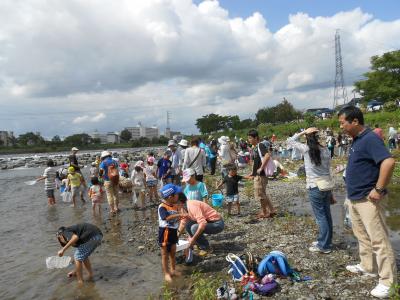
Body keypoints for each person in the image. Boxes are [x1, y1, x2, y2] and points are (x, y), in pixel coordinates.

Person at [338, 106, 397, 298]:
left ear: (355, 121)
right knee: (361, 235)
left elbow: (388, 162)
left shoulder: (371, 138)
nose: (341, 127)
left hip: (368, 199)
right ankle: (368, 266)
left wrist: (378, 189)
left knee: (378, 239)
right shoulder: (357, 140)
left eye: (342, 123)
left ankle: (388, 281)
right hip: (355, 197)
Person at [287, 128, 334, 254]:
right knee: (327, 215)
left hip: (314, 186)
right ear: (317, 137)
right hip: (326, 185)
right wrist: (332, 192)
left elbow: (290, 141)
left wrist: (303, 132)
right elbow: (329, 170)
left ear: (307, 138)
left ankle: (323, 245)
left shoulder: (306, 149)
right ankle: (326, 241)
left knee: (321, 217)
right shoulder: (325, 150)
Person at [247, 129, 276, 218]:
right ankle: (272, 211)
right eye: (248, 138)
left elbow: (267, 155)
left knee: (260, 194)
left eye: (250, 138)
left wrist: (261, 168)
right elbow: (257, 161)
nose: (249, 140)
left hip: (261, 174)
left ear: (256, 138)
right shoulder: (255, 147)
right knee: (263, 193)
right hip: (258, 174)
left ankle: (265, 212)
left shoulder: (260, 145)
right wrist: (253, 172)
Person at [158, 184, 184, 282]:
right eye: (176, 194)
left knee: (173, 252)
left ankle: (173, 270)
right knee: (165, 254)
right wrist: (180, 214)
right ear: (170, 197)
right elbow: (167, 218)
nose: (178, 196)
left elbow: (175, 218)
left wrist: (180, 217)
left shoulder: (174, 206)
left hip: (173, 232)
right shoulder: (162, 207)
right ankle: (166, 273)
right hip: (165, 232)